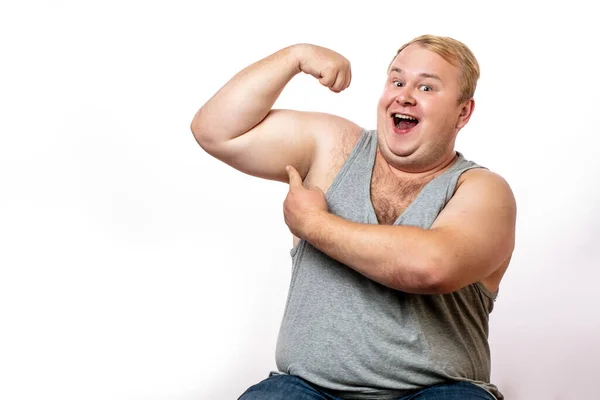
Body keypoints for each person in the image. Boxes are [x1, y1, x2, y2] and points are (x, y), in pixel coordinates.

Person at [190, 34, 516, 400]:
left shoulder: (483, 190)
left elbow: (431, 267)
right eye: (397, 80)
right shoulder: (334, 146)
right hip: (309, 389)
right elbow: (215, 132)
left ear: (463, 112)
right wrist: (295, 56)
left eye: (426, 86)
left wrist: (313, 224)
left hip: (438, 391)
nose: (404, 95)